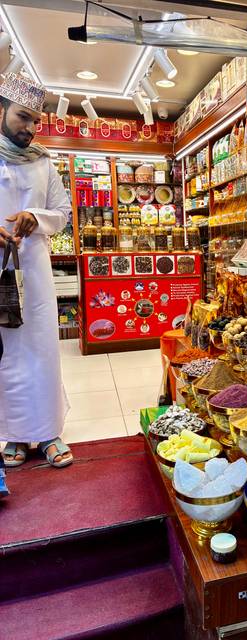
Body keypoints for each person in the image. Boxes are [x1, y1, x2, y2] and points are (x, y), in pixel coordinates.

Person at [0, 72, 73, 469]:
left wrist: (35, 216)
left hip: (35, 268)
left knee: (42, 348)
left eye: (36, 121)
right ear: (1, 110)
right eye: (22, 118)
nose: (30, 128)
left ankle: (47, 431)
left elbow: (62, 215)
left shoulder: (44, 162)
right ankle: (12, 434)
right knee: (6, 352)